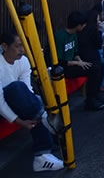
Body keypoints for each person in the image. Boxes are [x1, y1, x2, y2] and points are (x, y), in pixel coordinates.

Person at [1, 31, 64, 172]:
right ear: (4, 46)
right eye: (18, 46)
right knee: (17, 88)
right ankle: (45, 144)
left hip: (17, 102)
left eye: (24, 46)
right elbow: (0, 101)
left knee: (44, 100)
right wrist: (19, 122)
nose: (22, 50)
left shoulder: (23, 61)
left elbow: (28, 91)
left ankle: (43, 153)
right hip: (2, 106)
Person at [53, 11, 104, 111]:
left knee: (99, 66)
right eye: (83, 24)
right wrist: (77, 63)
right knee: (94, 70)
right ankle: (90, 101)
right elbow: (58, 60)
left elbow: (75, 52)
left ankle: (94, 96)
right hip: (63, 68)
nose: (85, 26)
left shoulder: (74, 35)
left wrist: (80, 61)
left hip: (73, 63)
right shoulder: (59, 37)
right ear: (78, 25)